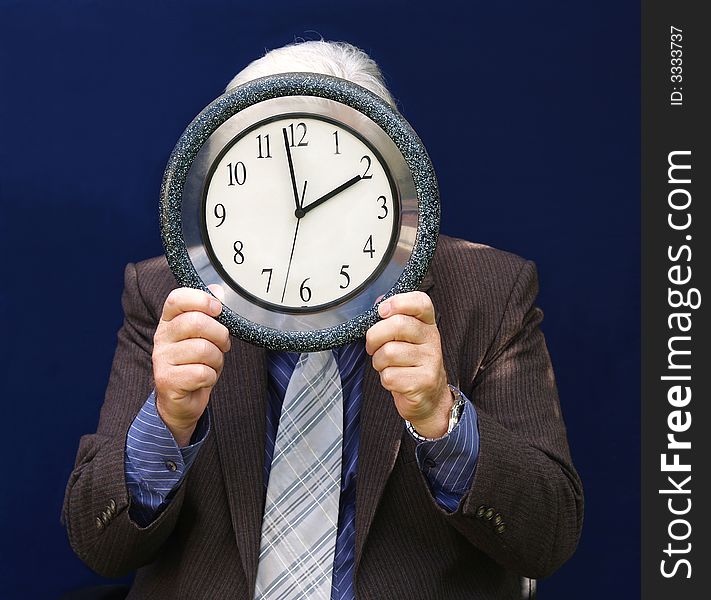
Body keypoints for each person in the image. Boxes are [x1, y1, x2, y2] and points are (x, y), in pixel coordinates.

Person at [63, 41, 583, 600]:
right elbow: (102, 546)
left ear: (391, 177)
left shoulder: (490, 293)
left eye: (339, 182)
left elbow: (547, 539)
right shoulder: (171, 294)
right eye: (266, 184)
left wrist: (442, 418)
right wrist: (167, 422)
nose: (299, 210)